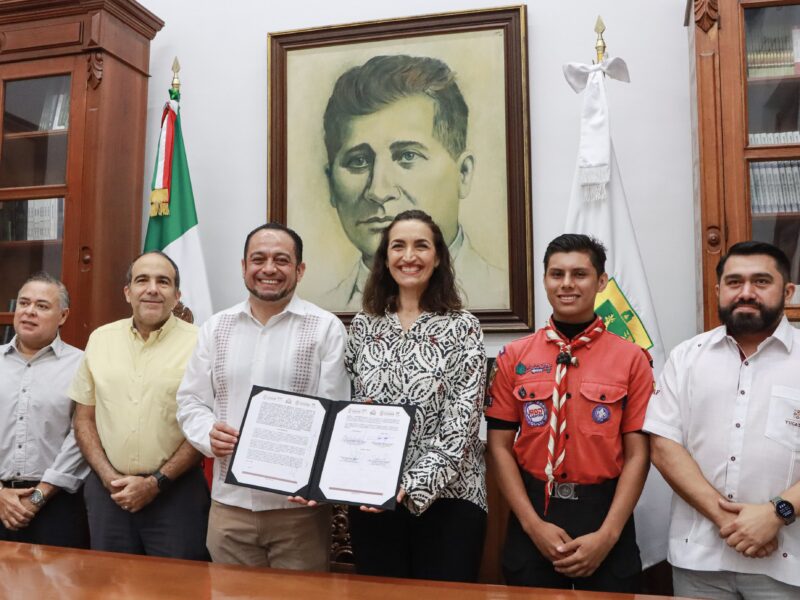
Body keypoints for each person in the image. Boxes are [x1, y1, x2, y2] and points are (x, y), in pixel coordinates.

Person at [176, 223, 349, 571]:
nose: (269, 268)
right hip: (229, 506)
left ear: (299, 270)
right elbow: (191, 401)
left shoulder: (326, 328)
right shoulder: (215, 327)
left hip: (297, 510)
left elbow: (335, 413)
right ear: (244, 267)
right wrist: (208, 433)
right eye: (259, 259)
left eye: (281, 260)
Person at [485, 233, 653, 593]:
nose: (566, 284)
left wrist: (608, 535)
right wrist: (532, 526)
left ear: (601, 281)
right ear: (545, 279)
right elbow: (498, 446)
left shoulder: (632, 359)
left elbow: (639, 454)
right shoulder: (514, 357)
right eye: (556, 274)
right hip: (534, 510)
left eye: (580, 274)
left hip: (604, 511)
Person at [644, 240, 800, 598]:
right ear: (718, 290)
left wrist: (776, 514)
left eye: (761, 281)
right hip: (700, 561)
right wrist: (730, 521)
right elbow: (664, 447)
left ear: (788, 291)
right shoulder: (687, 357)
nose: (746, 292)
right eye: (734, 282)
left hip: (787, 561)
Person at [343, 209, 487, 582]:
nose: (409, 256)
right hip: (373, 498)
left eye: (421, 246)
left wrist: (410, 486)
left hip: (450, 501)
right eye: (398, 246)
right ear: (385, 258)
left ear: (437, 257)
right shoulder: (363, 325)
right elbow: (353, 410)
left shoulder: (463, 327)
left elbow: (462, 425)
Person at [323, 54, 507, 310]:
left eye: (407, 156)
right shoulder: (328, 312)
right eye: (358, 161)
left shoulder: (494, 291)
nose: (379, 191)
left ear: (462, 173)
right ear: (331, 184)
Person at [70, 251, 209, 559]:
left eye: (164, 281)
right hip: (109, 494)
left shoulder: (202, 344)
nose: (152, 289)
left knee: (175, 589)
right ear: (127, 292)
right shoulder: (100, 339)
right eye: (142, 280)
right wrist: (109, 477)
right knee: (109, 587)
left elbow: (206, 424)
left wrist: (156, 482)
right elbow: (83, 419)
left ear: (177, 295)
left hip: (177, 494)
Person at [0, 273, 89, 548]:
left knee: (54, 588)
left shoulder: (82, 364)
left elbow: (82, 436)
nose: (29, 311)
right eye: (24, 303)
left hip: (58, 503)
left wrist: (40, 495)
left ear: (63, 316)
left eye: (42, 306)